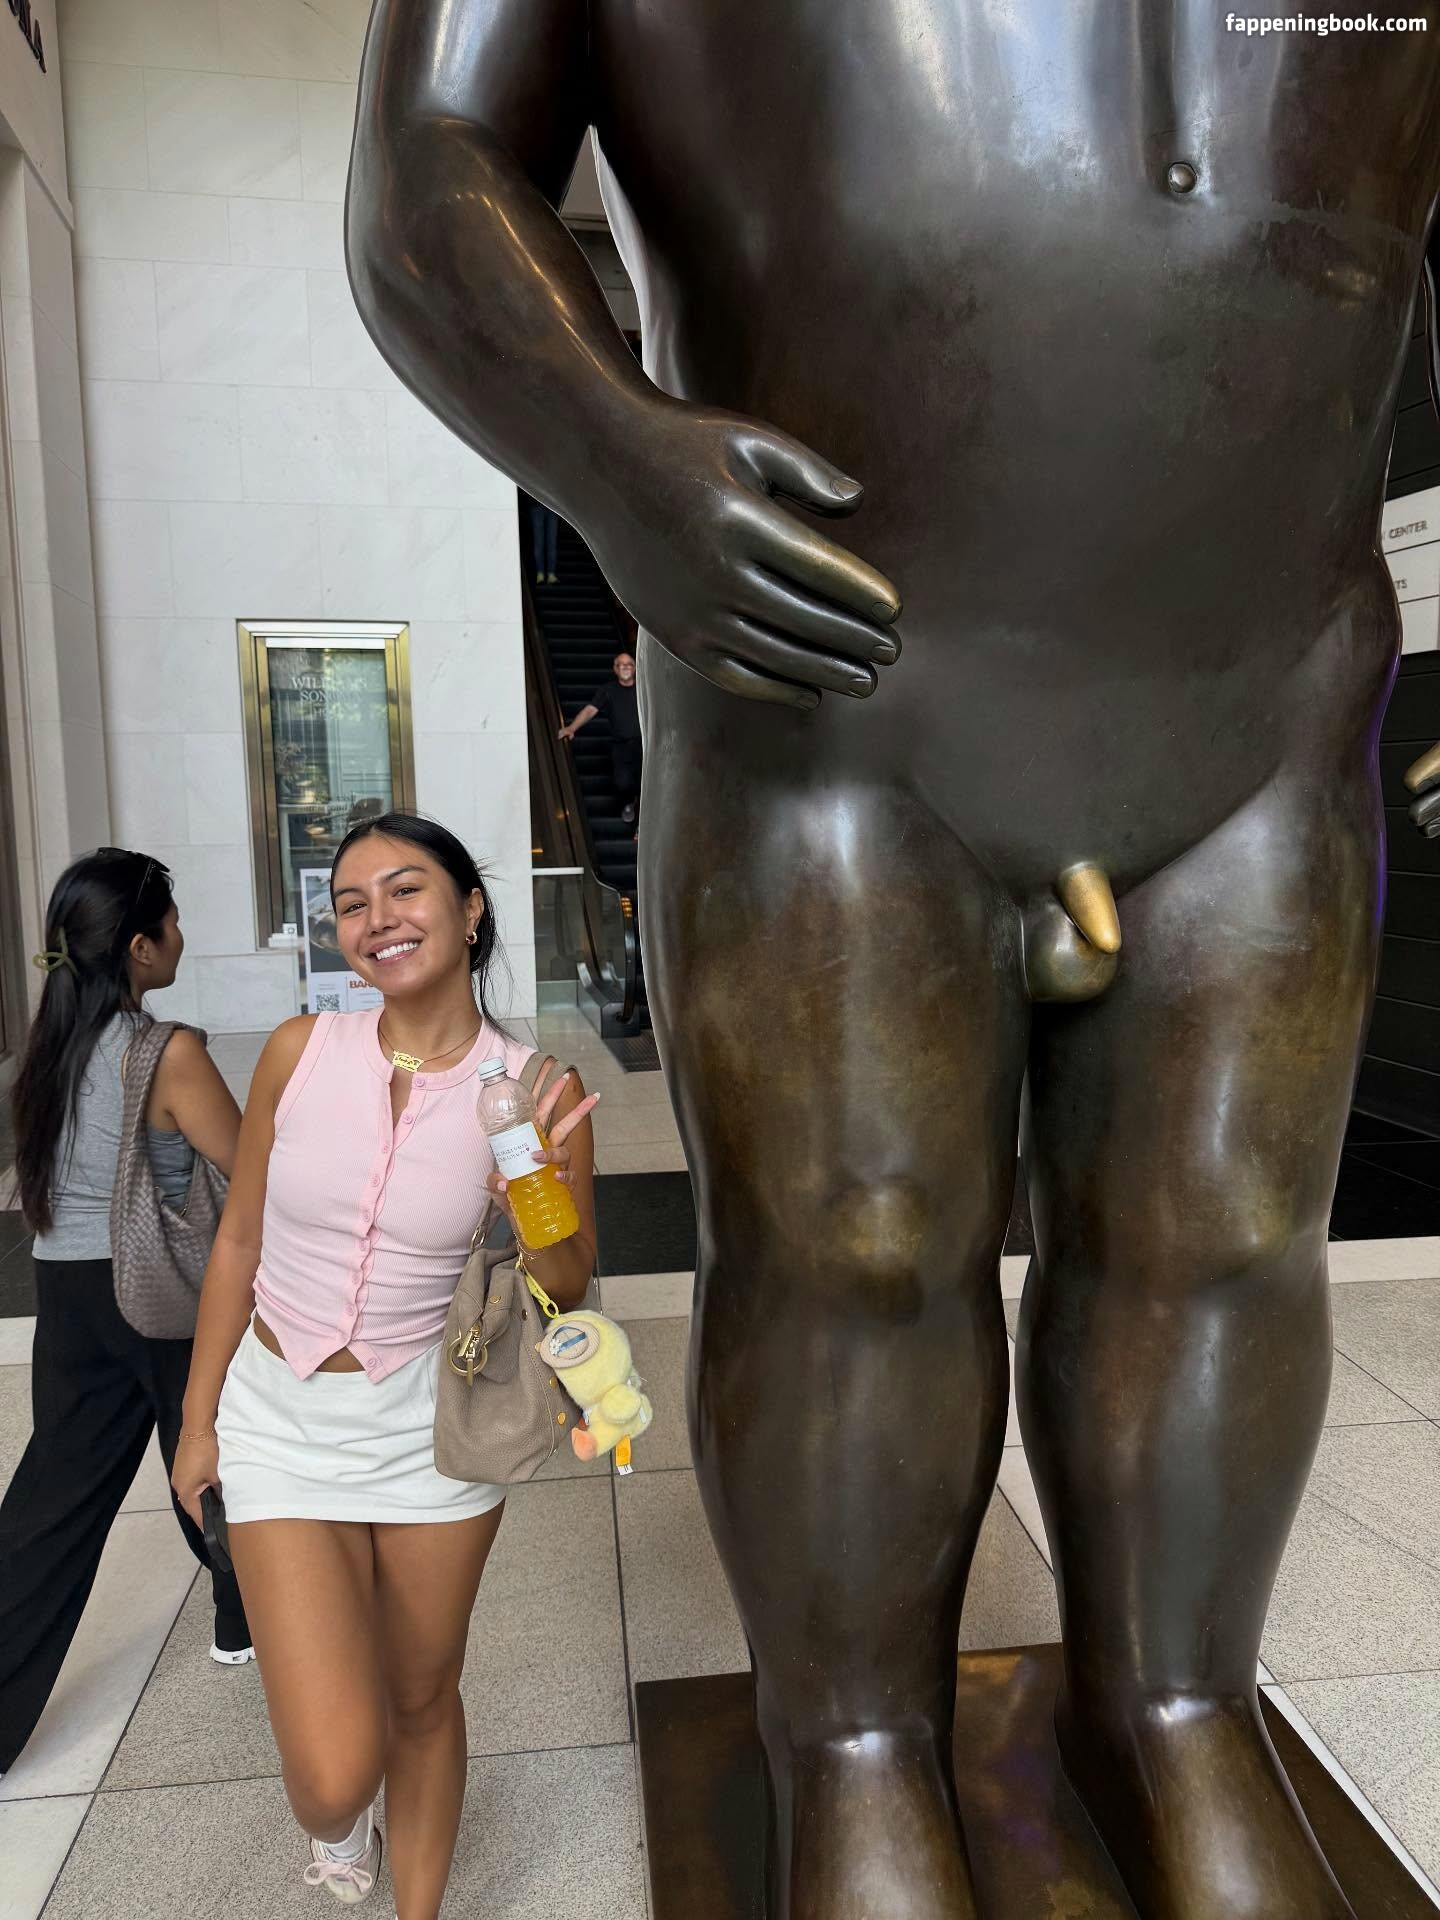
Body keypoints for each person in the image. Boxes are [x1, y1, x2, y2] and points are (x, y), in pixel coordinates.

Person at [347, 12, 1440, 1920]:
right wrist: (611, 450)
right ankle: (851, 1741)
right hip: (833, 683)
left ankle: (1177, 1707)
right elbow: (435, 149)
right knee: (846, 1250)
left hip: (1260, 685)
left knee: (1225, 1236)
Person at [172, 813, 598, 1919]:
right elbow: (239, 1240)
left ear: (470, 909)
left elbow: (565, 1284)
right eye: (352, 904)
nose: (378, 921)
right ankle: (342, 1827)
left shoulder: (536, 1087)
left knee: (420, 1695)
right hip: (278, 1416)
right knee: (330, 1775)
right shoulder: (298, 1051)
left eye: (406, 891)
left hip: (428, 1428)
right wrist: (199, 1421)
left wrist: (533, 1193)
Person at [0, 849, 251, 1778]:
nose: (180, 934)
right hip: (154, 1287)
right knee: (212, 1448)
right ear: (141, 948)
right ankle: (251, 1618)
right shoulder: (167, 1052)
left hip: (65, 1294)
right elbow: (246, 1168)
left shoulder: (51, 1046)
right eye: (170, 922)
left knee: (55, 1499)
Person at [558, 650, 642, 825]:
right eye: (621, 665)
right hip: (620, 746)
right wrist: (572, 727)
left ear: (635, 668)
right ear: (615, 669)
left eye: (629, 664)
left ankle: (642, 824)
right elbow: (590, 710)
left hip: (644, 746)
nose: (625, 667)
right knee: (623, 783)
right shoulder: (607, 690)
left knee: (646, 784)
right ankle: (629, 802)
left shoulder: (643, 689)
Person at [527, 496, 561, 583]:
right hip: (538, 503)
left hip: (552, 504)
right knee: (539, 542)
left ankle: (549, 574)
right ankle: (541, 573)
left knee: (551, 542)